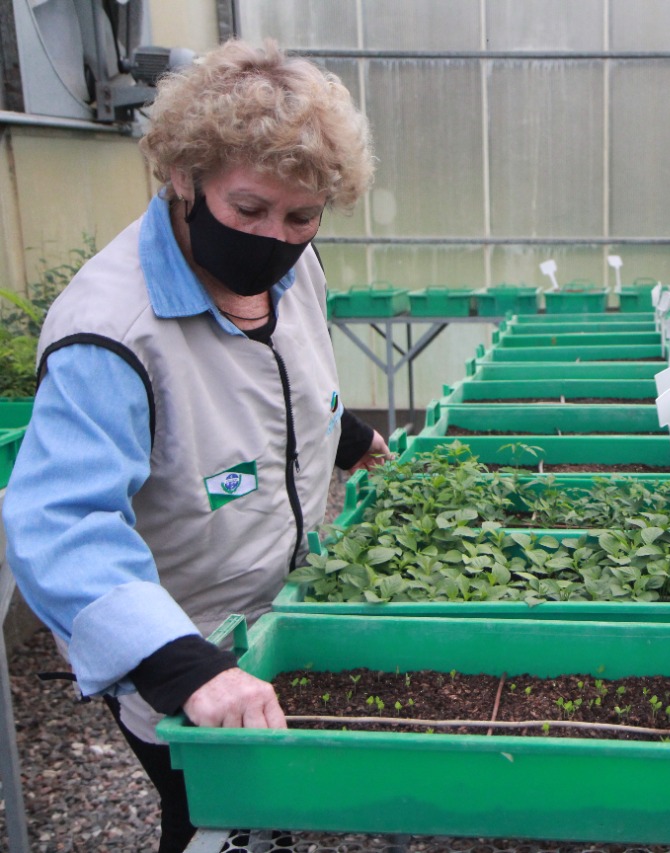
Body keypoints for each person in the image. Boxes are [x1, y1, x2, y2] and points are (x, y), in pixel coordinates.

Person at [3, 39, 387, 852]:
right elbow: (59, 524)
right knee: (217, 821)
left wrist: (348, 436)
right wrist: (184, 665)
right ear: (185, 175)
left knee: (280, 802)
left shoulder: (292, 265)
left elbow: (290, 378)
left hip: (283, 613)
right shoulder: (111, 331)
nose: (275, 239)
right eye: (248, 211)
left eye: (302, 216)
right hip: (181, 642)